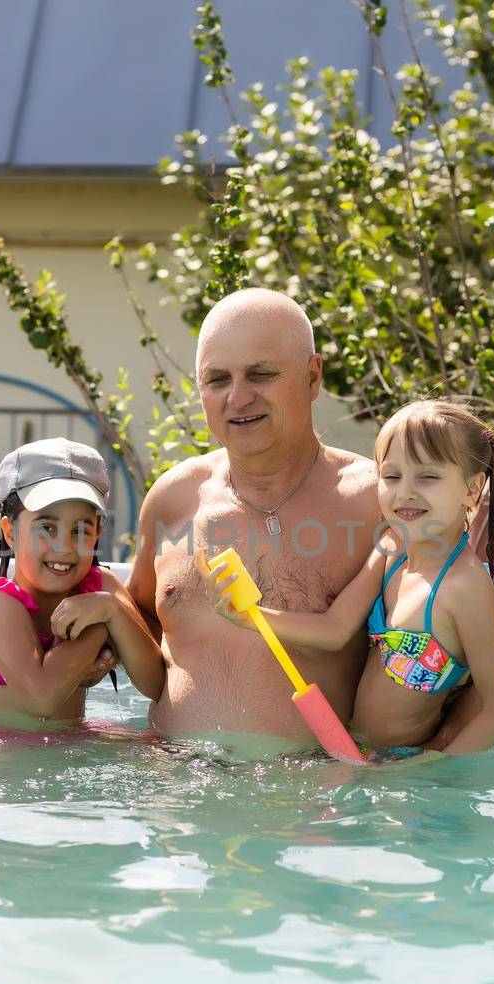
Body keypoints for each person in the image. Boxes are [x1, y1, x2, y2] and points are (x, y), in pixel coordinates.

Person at [125, 288, 381, 746]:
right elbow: (138, 620)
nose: (237, 398)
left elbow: (445, 658)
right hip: (175, 789)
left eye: (260, 374)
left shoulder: (375, 503)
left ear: (312, 376)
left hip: (311, 800)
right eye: (217, 379)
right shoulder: (172, 499)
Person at [204, 399, 494, 753]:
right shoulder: (391, 549)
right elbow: (335, 629)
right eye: (392, 476)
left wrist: (432, 769)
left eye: (428, 476)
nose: (406, 492)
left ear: (472, 489)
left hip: (409, 768)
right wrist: (252, 617)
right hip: (357, 755)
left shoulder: (463, 588)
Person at [0, 438, 163, 723]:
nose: (64, 547)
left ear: (98, 532)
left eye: (80, 530)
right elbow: (42, 697)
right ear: (10, 532)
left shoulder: (103, 589)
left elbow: (156, 685)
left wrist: (112, 610)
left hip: (70, 750)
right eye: (47, 528)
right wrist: (102, 627)